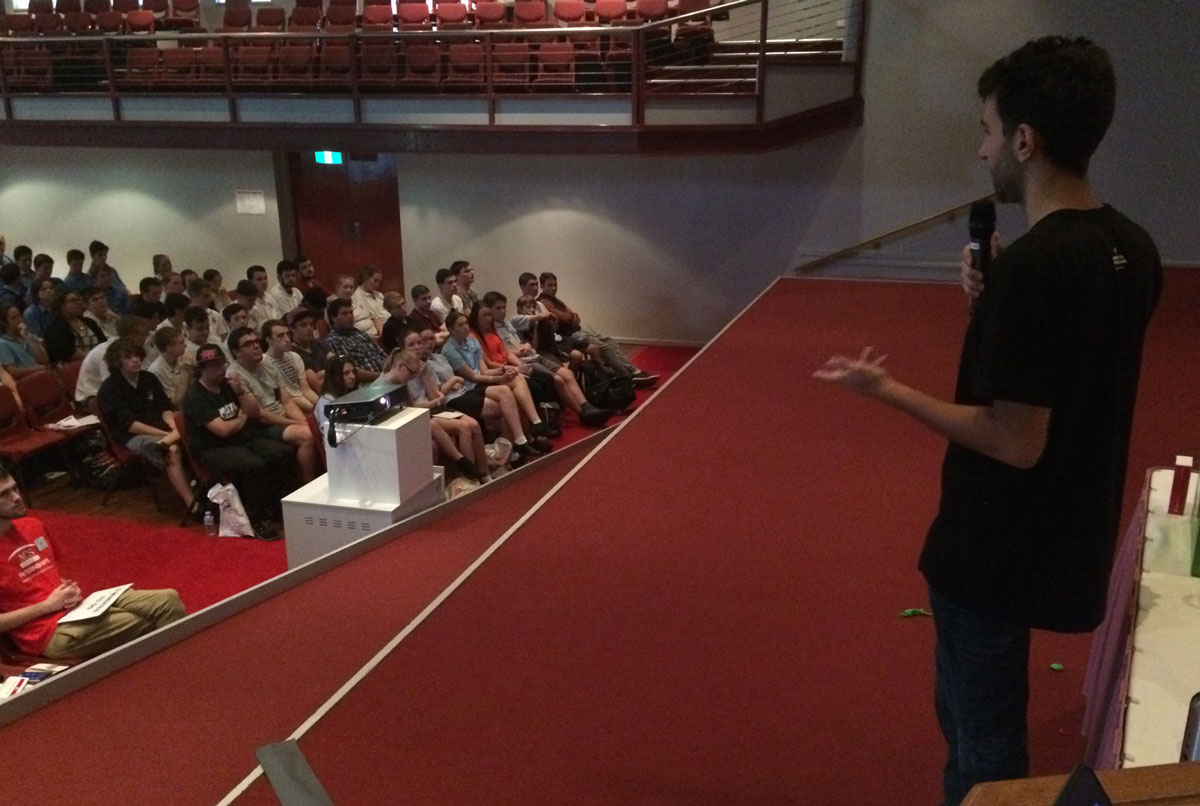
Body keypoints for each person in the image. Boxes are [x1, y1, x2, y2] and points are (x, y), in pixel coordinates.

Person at [813, 36, 1162, 806]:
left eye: (988, 131)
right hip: (1067, 532)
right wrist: (991, 308)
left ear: (1025, 141)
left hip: (994, 548)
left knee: (983, 750)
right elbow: (1069, 367)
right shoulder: (1131, 248)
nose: (983, 151)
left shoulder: (1035, 268)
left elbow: (1015, 439)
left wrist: (887, 389)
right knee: (991, 732)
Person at [0, 465, 186, 659]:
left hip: (75, 608)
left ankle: (177, 664)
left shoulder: (32, 525)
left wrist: (67, 588)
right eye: (4, 494)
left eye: (15, 488)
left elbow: (40, 574)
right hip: (47, 633)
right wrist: (46, 606)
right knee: (142, 621)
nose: (16, 497)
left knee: (168, 600)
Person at [181, 344, 297, 540]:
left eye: (222, 364)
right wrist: (242, 417)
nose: (221, 369)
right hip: (212, 449)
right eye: (214, 366)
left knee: (283, 453)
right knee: (255, 465)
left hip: (241, 439)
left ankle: (274, 505)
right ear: (202, 369)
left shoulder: (228, 385)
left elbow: (253, 412)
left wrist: (241, 392)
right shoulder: (195, 396)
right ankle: (256, 517)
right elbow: (223, 430)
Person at [485, 291, 612, 428]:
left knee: (568, 373)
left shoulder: (508, 325)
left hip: (534, 355)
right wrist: (521, 351)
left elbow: (525, 343)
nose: (503, 311)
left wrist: (526, 344)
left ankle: (587, 406)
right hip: (524, 361)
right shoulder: (496, 329)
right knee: (558, 380)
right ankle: (582, 413)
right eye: (498, 308)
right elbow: (504, 354)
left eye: (504, 307)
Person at [442, 311, 553, 459]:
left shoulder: (472, 342)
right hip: (469, 387)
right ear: (451, 329)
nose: (466, 327)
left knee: (518, 378)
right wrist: (501, 377)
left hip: (481, 380)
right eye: (460, 325)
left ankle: (534, 425)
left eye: (466, 323)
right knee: (505, 391)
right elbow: (473, 377)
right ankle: (522, 440)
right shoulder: (449, 350)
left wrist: (505, 369)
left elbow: (484, 370)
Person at [96, 337, 193, 506]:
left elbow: (165, 407)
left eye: (137, 355)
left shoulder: (149, 378)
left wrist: (172, 424)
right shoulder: (109, 389)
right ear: (117, 362)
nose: (135, 360)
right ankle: (191, 501)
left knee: (193, 433)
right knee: (172, 450)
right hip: (132, 436)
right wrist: (167, 433)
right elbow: (130, 425)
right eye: (128, 357)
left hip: (161, 427)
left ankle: (201, 485)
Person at [389, 332, 489, 481]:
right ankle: (470, 479)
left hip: (433, 408)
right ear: (403, 349)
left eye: (419, 343)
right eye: (411, 345)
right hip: (423, 412)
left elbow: (436, 396)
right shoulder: (403, 373)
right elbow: (416, 406)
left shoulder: (426, 365)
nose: (417, 347)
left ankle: (485, 474)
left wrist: (425, 376)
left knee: (473, 424)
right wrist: (436, 400)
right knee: (464, 427)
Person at [225, 326, 317, 482]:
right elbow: (260, 415)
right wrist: (297, 423)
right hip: (261, 426)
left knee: (316, 425)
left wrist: (303, 421)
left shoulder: (267, 364)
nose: (256, 346)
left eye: (256, 341)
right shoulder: (234, 376)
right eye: (248, 344)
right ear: (236, 352)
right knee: (307, 435)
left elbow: (287, 401)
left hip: (281, 417)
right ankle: (309, 484)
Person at [538, 271, 659, 388]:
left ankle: (634, 371)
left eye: (555, 285)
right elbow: (565, 318)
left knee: (609, 341)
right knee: (604, 347)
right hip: (569, 336)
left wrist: (570, 317)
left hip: (577, 330)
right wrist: (570, 317)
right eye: (550, 285)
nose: (553, 288)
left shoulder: (555, 300)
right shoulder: (544, 302)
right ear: (542, 286)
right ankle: (626, 377)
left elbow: (574, 316)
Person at [74, 314, 150, 407]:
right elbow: (110, 385)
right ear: (133, 335)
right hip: (93, 396)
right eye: (144, 335)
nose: (147, 337)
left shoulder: (133, 349)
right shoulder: (106, 352)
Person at [262, 319, 317, 413]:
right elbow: (283, 398)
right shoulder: (264, 363)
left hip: (303, 399)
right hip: (287, 407)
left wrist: (321, 404)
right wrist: (314, 409)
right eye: (280, 336)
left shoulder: (295, 356)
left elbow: (306, 389)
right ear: (269, 340)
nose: (287, 339)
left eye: (288, 334)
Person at [325, 298, 386, 381]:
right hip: (367, 384)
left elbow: (382, 355)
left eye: (351, 312)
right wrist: (382, 377)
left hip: (385, 377)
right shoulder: (334, 341)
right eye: (345, 313)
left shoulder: (360, 333)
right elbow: (352, 371)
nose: (350, 316)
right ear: (333, 318)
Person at [44, 288, 106, 364]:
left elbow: (103, 342)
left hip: (99, 361)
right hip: (75, 366)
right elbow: (67, 354)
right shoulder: (55, 329)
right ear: (62, 306)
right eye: (73, 301)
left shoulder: (89, 322)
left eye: (78, 300)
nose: (79, 303)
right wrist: (94, 357)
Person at [0, 302, 49, 378]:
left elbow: (44, 360)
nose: (20, 320)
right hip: (27, 380)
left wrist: (26, 338)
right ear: (4, 323)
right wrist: (34, 370)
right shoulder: (3, 344)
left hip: (43, 375)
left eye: (19, 315)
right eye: (14, 318)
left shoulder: (28, 336)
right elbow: (13, 371)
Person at [148, 325, 189, 406]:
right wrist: (185, 372)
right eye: (181, 343)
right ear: (169, 347)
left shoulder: (180, 359)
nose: (185, 345)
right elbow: (175, 402)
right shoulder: (157, 370)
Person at [352, 265, 388, 338]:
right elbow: (374, 318)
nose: (377, 284)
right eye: (375, 280)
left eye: (379, 282)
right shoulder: (355, 297)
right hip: (374, 334)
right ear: (365, 278)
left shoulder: (380, 295)